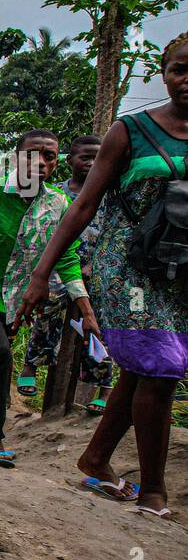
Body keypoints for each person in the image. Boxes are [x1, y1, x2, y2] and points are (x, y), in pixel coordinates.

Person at [17, 33, 188, 510]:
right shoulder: (130, 131)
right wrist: (41, 273)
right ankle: (153, 491)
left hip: (184, 271)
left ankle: (96, 458)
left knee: (143, 369)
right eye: (180, 69)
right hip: (131, 269)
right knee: (161, 369)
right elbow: (84, 205)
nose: (187, 80)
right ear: (164, 72)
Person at [0, 129, 96, 467]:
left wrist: (86, 310)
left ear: (57, 161)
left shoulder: (58, 204)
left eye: (50, 156)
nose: (41, 162)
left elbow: (68, 257)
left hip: (18, 301)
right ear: (16, 157)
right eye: (33, 154)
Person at [16, 135, 113, 412]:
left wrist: (94, 265)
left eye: (98, 158)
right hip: (59, 267)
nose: (92, 163)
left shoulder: (108, 194)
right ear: (69, 161)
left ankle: (103, 385)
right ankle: (32, 362)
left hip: (96, 268)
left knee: (101, 320)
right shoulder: (55, 193)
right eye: (85, 158)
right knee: (49, 300)